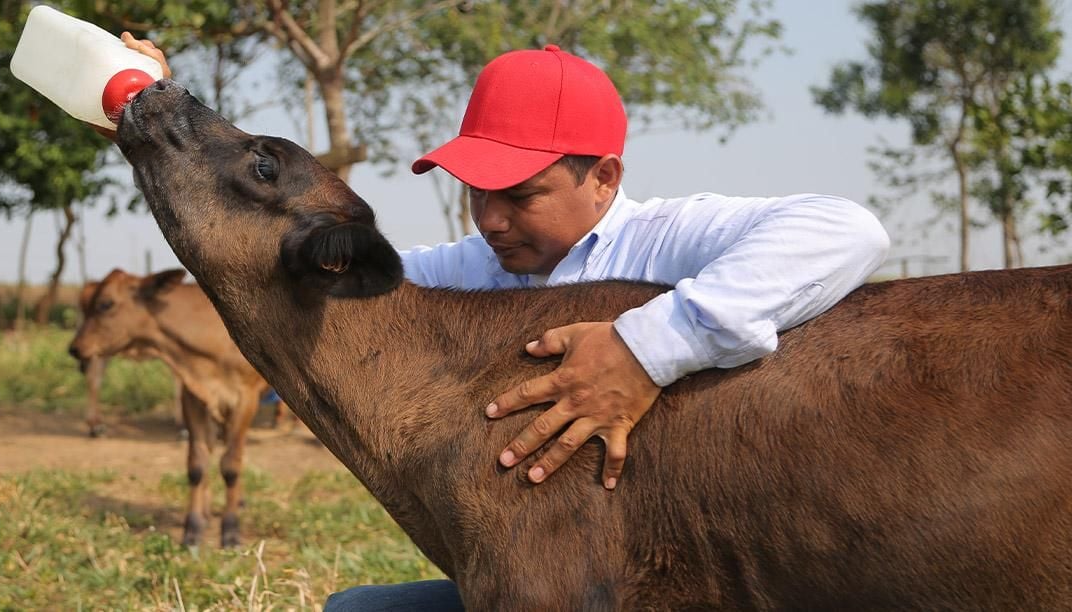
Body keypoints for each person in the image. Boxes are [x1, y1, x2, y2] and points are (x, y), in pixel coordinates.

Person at [114, 37, 889, 610]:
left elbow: (846, 231)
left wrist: (645, 347)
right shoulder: (475, 271)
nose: (489, 219)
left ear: (604, 176)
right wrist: (158, 138)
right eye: (473, 191)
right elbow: (324, 281)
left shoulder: (669, 238)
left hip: (680, 568)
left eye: (518, 194)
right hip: (542, 568)